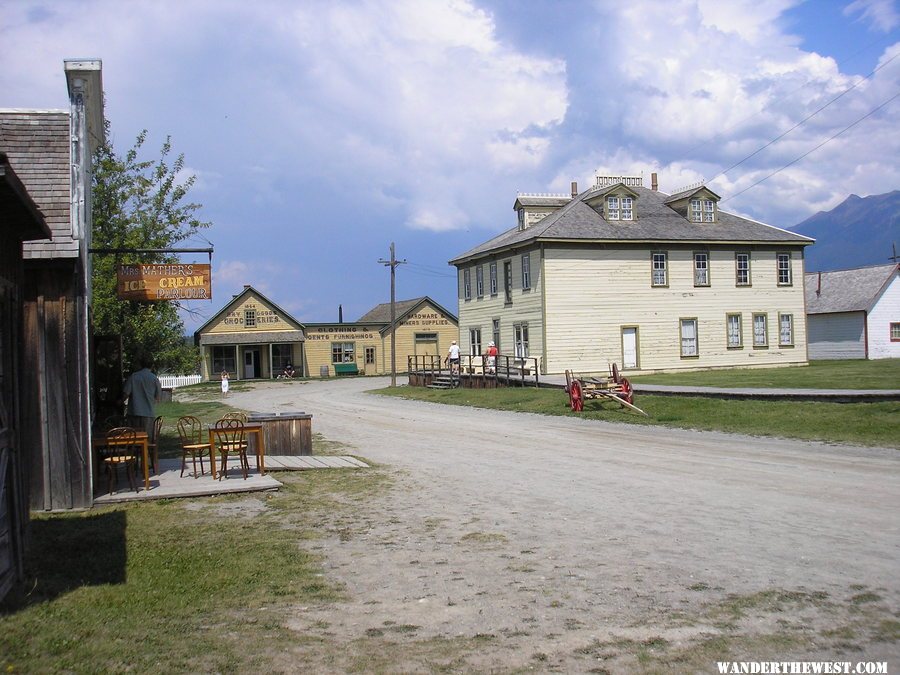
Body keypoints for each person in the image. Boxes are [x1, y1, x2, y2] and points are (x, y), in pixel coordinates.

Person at [122, 355, 162, 440]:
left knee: (134, 438)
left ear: (140, 364)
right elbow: (158, 397)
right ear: (152, 365)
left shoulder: (134, 377)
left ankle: (135, 452)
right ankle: (147, 452)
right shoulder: (154, 378)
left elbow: (125, 394)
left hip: (134, 412)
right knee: (147, 438)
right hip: (148, 413)